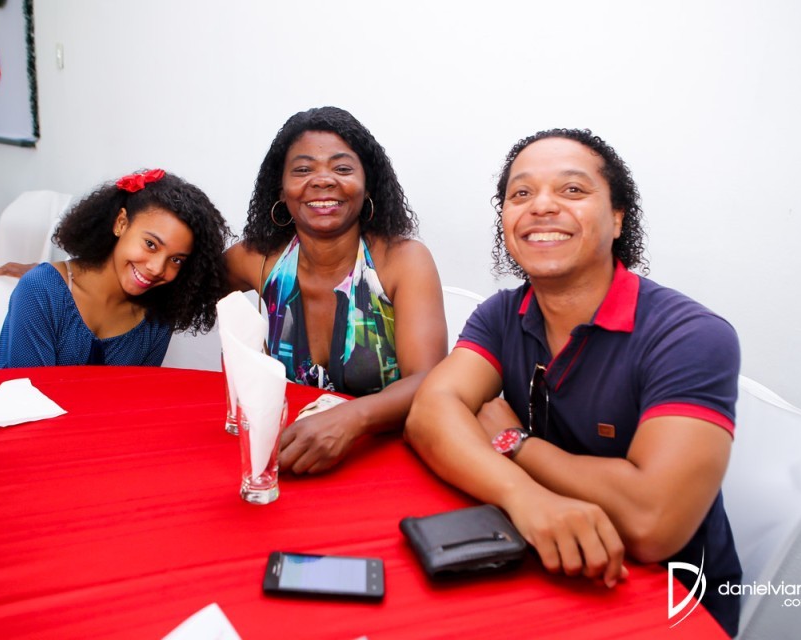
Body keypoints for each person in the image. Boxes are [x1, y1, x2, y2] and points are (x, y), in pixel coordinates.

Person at [404, 129, 741, 636]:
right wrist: (525, 497)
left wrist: (514, 443)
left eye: (573, 190)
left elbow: (652, 523)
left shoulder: (690, 336)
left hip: (666, 603)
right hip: (540, 561)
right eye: (521, 193)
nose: (541, 206)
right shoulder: (501, 314)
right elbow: (429, 414)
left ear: (618, 217)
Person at [225, 106, 447, 475]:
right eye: (302, 170)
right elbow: (181, 282)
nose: (323, 180)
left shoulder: (402, 260)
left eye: (342, 168)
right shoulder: (261, 260)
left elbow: (429, 379)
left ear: (367, 184)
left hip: (386, 459)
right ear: (281, 188)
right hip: (292, 457)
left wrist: (352, 419)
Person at [0, 169, 231, 368]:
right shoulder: (42, 291)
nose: (157, 268)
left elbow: (137, 398)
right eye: (150, 244)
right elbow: (31, 395)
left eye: (176, 260)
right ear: (121, 223)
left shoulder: (158, 317)